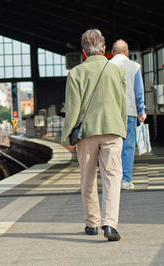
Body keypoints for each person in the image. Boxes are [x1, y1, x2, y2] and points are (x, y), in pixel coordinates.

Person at [61, 29, 127, 241]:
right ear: (104, 49)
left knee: (87, 178)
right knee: (113, 177)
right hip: (112, 130)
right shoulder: (117, 71)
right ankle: (110, 224)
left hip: (87, 133)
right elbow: (121, 103)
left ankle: (92, 223)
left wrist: (66, 138)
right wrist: (122, 128)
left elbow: (72, 109)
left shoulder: (75, 73)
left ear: (84, 52)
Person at [110, 39, 147, 190]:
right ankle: (125, 180)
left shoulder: (107, 66)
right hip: (130, 112)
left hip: (112, 113)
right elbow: (139, 91)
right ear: (127, 52)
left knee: (112, 147)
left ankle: (112, 179)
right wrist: (141, 110)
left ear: (112, 52)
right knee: (128, 147)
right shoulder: (134, 66)